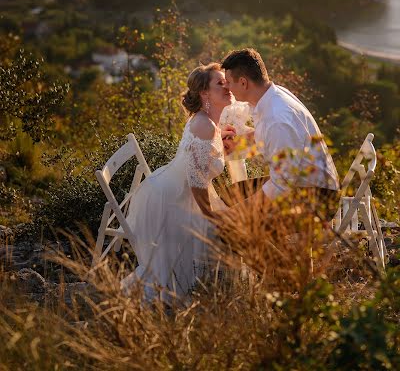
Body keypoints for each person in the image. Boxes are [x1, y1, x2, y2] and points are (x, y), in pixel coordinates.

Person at [121, 63, 234, 300]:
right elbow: (196, 182)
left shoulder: (208, 122)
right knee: (221, 229)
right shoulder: (203, 125)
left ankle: (211, 288)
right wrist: (211, 216)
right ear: (205, 93)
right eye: (220, 83)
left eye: (227, 82)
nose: (228, 87)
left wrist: (221, 144)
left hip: (178, 191)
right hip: (171, 201)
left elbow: (200, 161)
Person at [221, 48, 340, 215]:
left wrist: (238, 213)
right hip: (298, 184)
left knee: (231, 227)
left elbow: (281, 185)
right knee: (231, 193)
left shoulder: (278, 117)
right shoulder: (270, 97)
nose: (226, 86)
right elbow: (266, 135)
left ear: (243, 82)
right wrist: (237, 144)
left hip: (316, 199)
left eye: (228, 81)